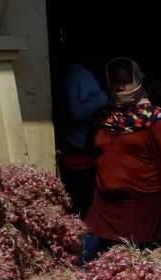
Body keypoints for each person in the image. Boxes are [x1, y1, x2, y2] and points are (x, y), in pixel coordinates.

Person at [80, 58, 161, 266]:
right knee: (88, 256)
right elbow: (93, 155)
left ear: (137, 81)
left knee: (134, 265)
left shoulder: (155, 118)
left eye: (125, 81)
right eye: (115, 81)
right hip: (104, 204)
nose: (120, 86)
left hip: (140, 205)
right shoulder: (103, 118)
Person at [56, 35, 108, 218]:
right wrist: (104, 97)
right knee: (81, 203)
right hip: (76, 150)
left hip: (86, 150)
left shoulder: (87, 74)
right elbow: (77, 111)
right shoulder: (78, 75)